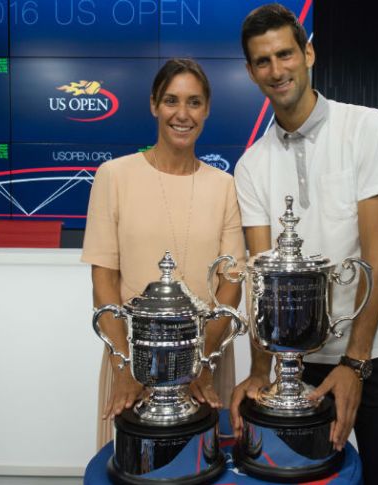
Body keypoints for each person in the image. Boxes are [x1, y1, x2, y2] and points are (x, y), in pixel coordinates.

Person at [230, 4, 378, 484]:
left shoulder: (365, 127)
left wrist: (355, 362)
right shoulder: (250, 165)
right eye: (263, 61)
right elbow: (259, 274)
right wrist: (258, 369)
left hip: (376, 351)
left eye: (285, 54)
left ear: (307, 52)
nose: (277, 70)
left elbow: (374, 259)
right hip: (298, 361)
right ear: (251, 73)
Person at [81, 58, 247, 450]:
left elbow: (231, 285)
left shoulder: (225, 186)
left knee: (202, 467)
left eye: (194, 102)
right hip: (132, 362)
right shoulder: (114, 176)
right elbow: (103, 280)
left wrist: (199, 362)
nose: (182, 114)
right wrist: (126, 365)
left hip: (207, 363)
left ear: (206, 110)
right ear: (154, 104)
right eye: (171, 100)